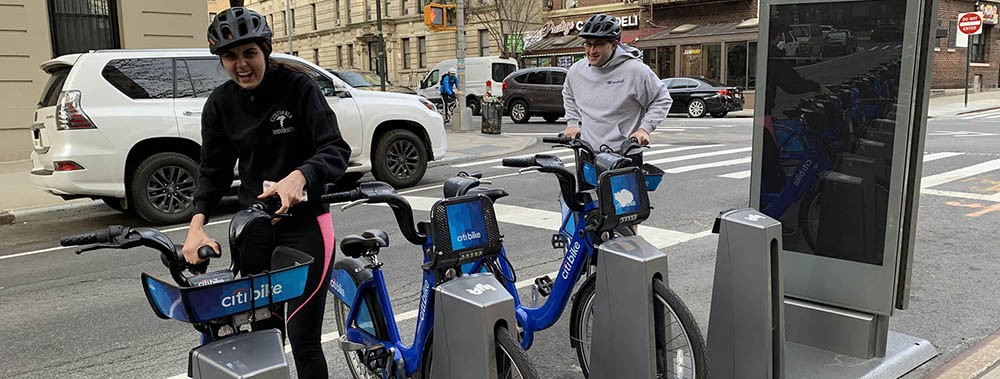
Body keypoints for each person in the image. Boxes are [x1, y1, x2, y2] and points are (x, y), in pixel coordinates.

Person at [183, 7, 352, 379]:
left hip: (306, 228)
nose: (241, 65)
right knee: (263, 336)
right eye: (230, 56)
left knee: (303, 338)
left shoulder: (298, 88)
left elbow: (336, 150)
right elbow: (212, 173)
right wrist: (196, 227)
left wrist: (301, 176)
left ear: (266, 50)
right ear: (221, 60)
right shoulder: (220, 105)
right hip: (254, 230)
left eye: (249, 54)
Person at [562, 13, 673, 160]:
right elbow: (568, 94)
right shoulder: (576, 71)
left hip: (624, 154)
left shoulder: (635, 71)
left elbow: (662, 99)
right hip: (588, 152)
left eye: (599, 44)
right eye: (588, 44)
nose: (592, 51)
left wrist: (644, 129)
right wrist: (572, 123)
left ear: (614, 45)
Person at [761, 16, 827, 194]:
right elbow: (792, 83)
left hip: (752, 114)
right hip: (761, 114)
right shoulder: (771, 56)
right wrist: (817, 87)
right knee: (769, 163)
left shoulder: (755, 51)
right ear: (775, 36)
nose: (781, 40)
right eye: (780, 36)